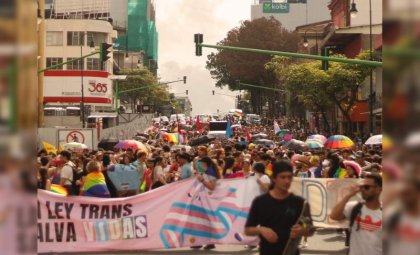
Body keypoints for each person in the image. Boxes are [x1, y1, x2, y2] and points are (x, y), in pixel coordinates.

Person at [245, 160, 314, 255]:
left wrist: (302, 230)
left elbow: (310, 228)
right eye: (283, 177)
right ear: (274, 178)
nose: (287, 181)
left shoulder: (300, 203)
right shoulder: (260, 202)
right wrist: (261, 230)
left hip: (290, 251)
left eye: (289, 177)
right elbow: (248, 230)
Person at [330, 173, 383, 255]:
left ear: (378, 189)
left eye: (366, 187)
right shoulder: (354, 207)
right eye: (361, 187)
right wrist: (348, 195)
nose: (363, 190)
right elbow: (334, 216)